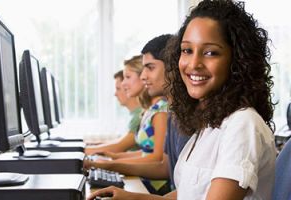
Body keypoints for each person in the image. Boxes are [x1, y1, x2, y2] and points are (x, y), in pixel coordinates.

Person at [87, 0, 276, 199]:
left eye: (210, 52)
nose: (194, 64)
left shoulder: (243, 124)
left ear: (237, 61)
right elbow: (188, 195)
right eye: (187, 50)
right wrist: (131, 197)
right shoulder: (209, 125)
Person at [86, 34, 172, 195]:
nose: (144, 76)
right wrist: (114, 157)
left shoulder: (162, 110)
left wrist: (113, 162)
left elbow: (158, 158)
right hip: (146, 180)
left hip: (155, 185)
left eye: (150, 68)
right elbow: (147, 152)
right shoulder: (152, 110)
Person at [85, 70, 143, 155]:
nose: (115, 94)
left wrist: (80, 152)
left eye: (118, 89)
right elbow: (119, 142)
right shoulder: (134, 115)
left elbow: (119, 146)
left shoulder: (138, 116)